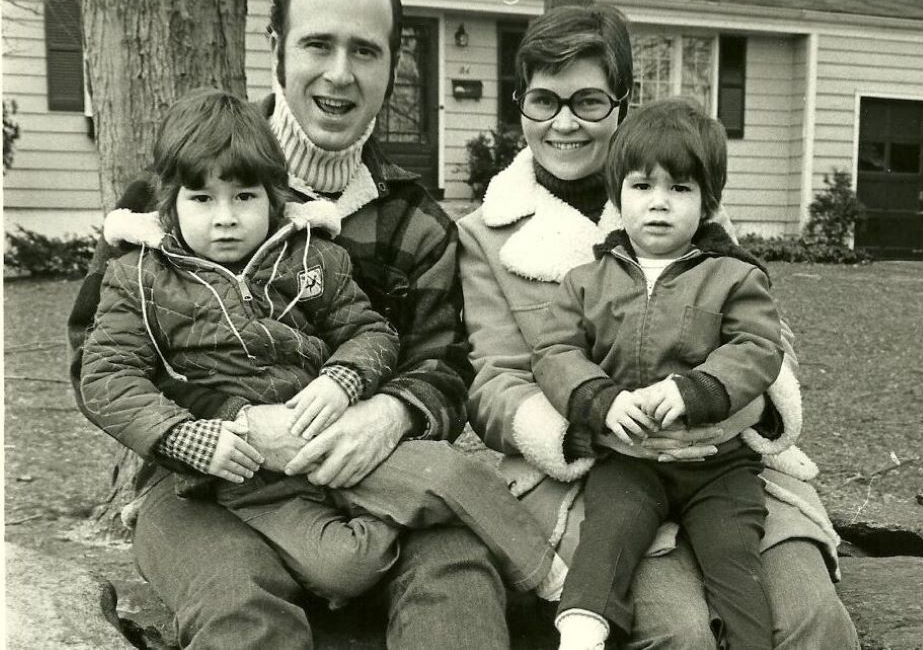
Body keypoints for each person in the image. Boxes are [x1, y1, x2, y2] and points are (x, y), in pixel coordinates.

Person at [68, 0, 512, 647]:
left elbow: (446, 368)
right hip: (202, 488)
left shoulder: (417, 224)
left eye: (365, 50)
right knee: (235, 599)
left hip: (362, 476)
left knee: (456, 565)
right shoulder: (167, 199)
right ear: (275, 45)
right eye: (317, 44)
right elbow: (94, 362)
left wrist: (387, 413)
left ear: (393, 66)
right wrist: (237, 427)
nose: (340, 72)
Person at [457, 3, 860, 648]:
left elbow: (763, 338)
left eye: (588, 101)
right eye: (543, 101)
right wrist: (596, 424)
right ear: (521, 104)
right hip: (597, 475)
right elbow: (495, 383)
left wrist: (731, 409)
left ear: (623, 102)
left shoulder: (685, 202)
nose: (564, 122)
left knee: (811, 619)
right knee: (679, 632)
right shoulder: (486, 234)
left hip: (722, 458)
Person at [79, 88, 564, 611]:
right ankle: (402, 523)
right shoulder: (139, 278)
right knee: (345, 570)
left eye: (244, 197)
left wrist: (343, 379)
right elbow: (107, 377)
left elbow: (372, 331)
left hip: (334, 437)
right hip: (244, 473)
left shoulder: (313, 255)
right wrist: (191, 439)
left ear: (273, 195)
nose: (225, 218)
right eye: (202, 199)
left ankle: (553, 583)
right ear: (170, 202)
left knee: (450, 472)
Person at [533, 101, 786, 649]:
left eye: (681, 189)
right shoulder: (586, 280)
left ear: (708, 201)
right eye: (643, 186)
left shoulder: (734, 276)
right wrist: (600, 400)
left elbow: (758, 347)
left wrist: (694, 390)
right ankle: (580, 632)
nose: (659, 205)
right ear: (617, 196)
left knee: (734, 559)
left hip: (717, 464)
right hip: (627, 457)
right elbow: (554, 352)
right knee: (607, 536)